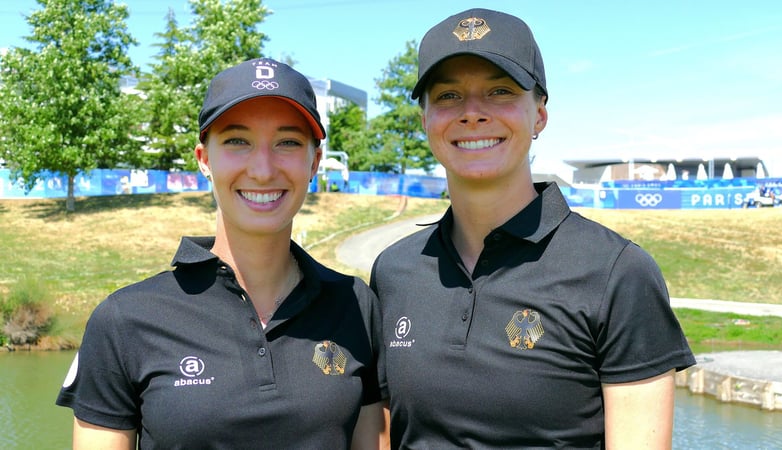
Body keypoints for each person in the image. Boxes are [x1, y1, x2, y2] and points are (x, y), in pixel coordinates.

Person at [370, 8, 695, 449]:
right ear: (425, 119)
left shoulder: (617, 272)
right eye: (448, 96)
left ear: (539, 114)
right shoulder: (394, 271)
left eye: (500, 91)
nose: (472, 113)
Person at [57, 57, 387, 449]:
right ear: (204, 160)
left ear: (314, 161)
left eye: (287, 142)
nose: (262, 170)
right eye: (237, 141)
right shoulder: (124, 320)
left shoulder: (356, 305)